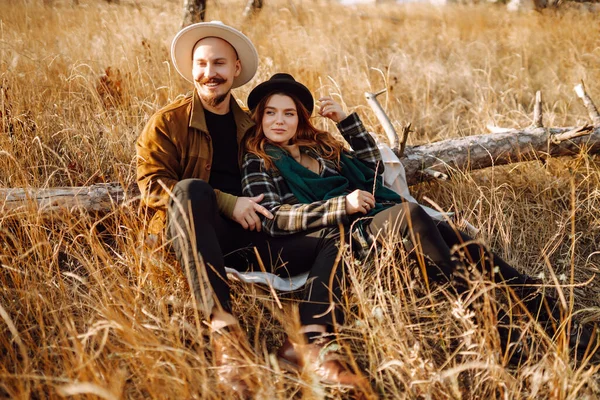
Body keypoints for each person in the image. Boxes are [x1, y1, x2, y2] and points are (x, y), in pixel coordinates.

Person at [241, 73, 598, 363]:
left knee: (469, 248)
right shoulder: (259, 160)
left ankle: (561, 326)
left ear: (300, 118)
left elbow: (372, 168)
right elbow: (275, 218)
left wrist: (347, 122)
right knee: (412, 213)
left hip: (375, 215)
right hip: (342, 235)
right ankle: (497, 330)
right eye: (271, 112)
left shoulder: (320, 148)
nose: (279, 120)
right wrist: (342, 206)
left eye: (288, 113)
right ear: (260, 117)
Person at [136, 23, 365, 395]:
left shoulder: (250, 124)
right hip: (197, 234)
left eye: (220, 63)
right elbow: (153, 186)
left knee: (334, 233)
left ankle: (308, 344)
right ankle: (225, 337)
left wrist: (338, 129)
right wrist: (228, 202)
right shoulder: (168, 122)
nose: (210, 73)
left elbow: (296, 147)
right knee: (191, 190)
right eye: (202, 64)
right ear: (192, 68)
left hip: (255, 236)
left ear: (236, 68)